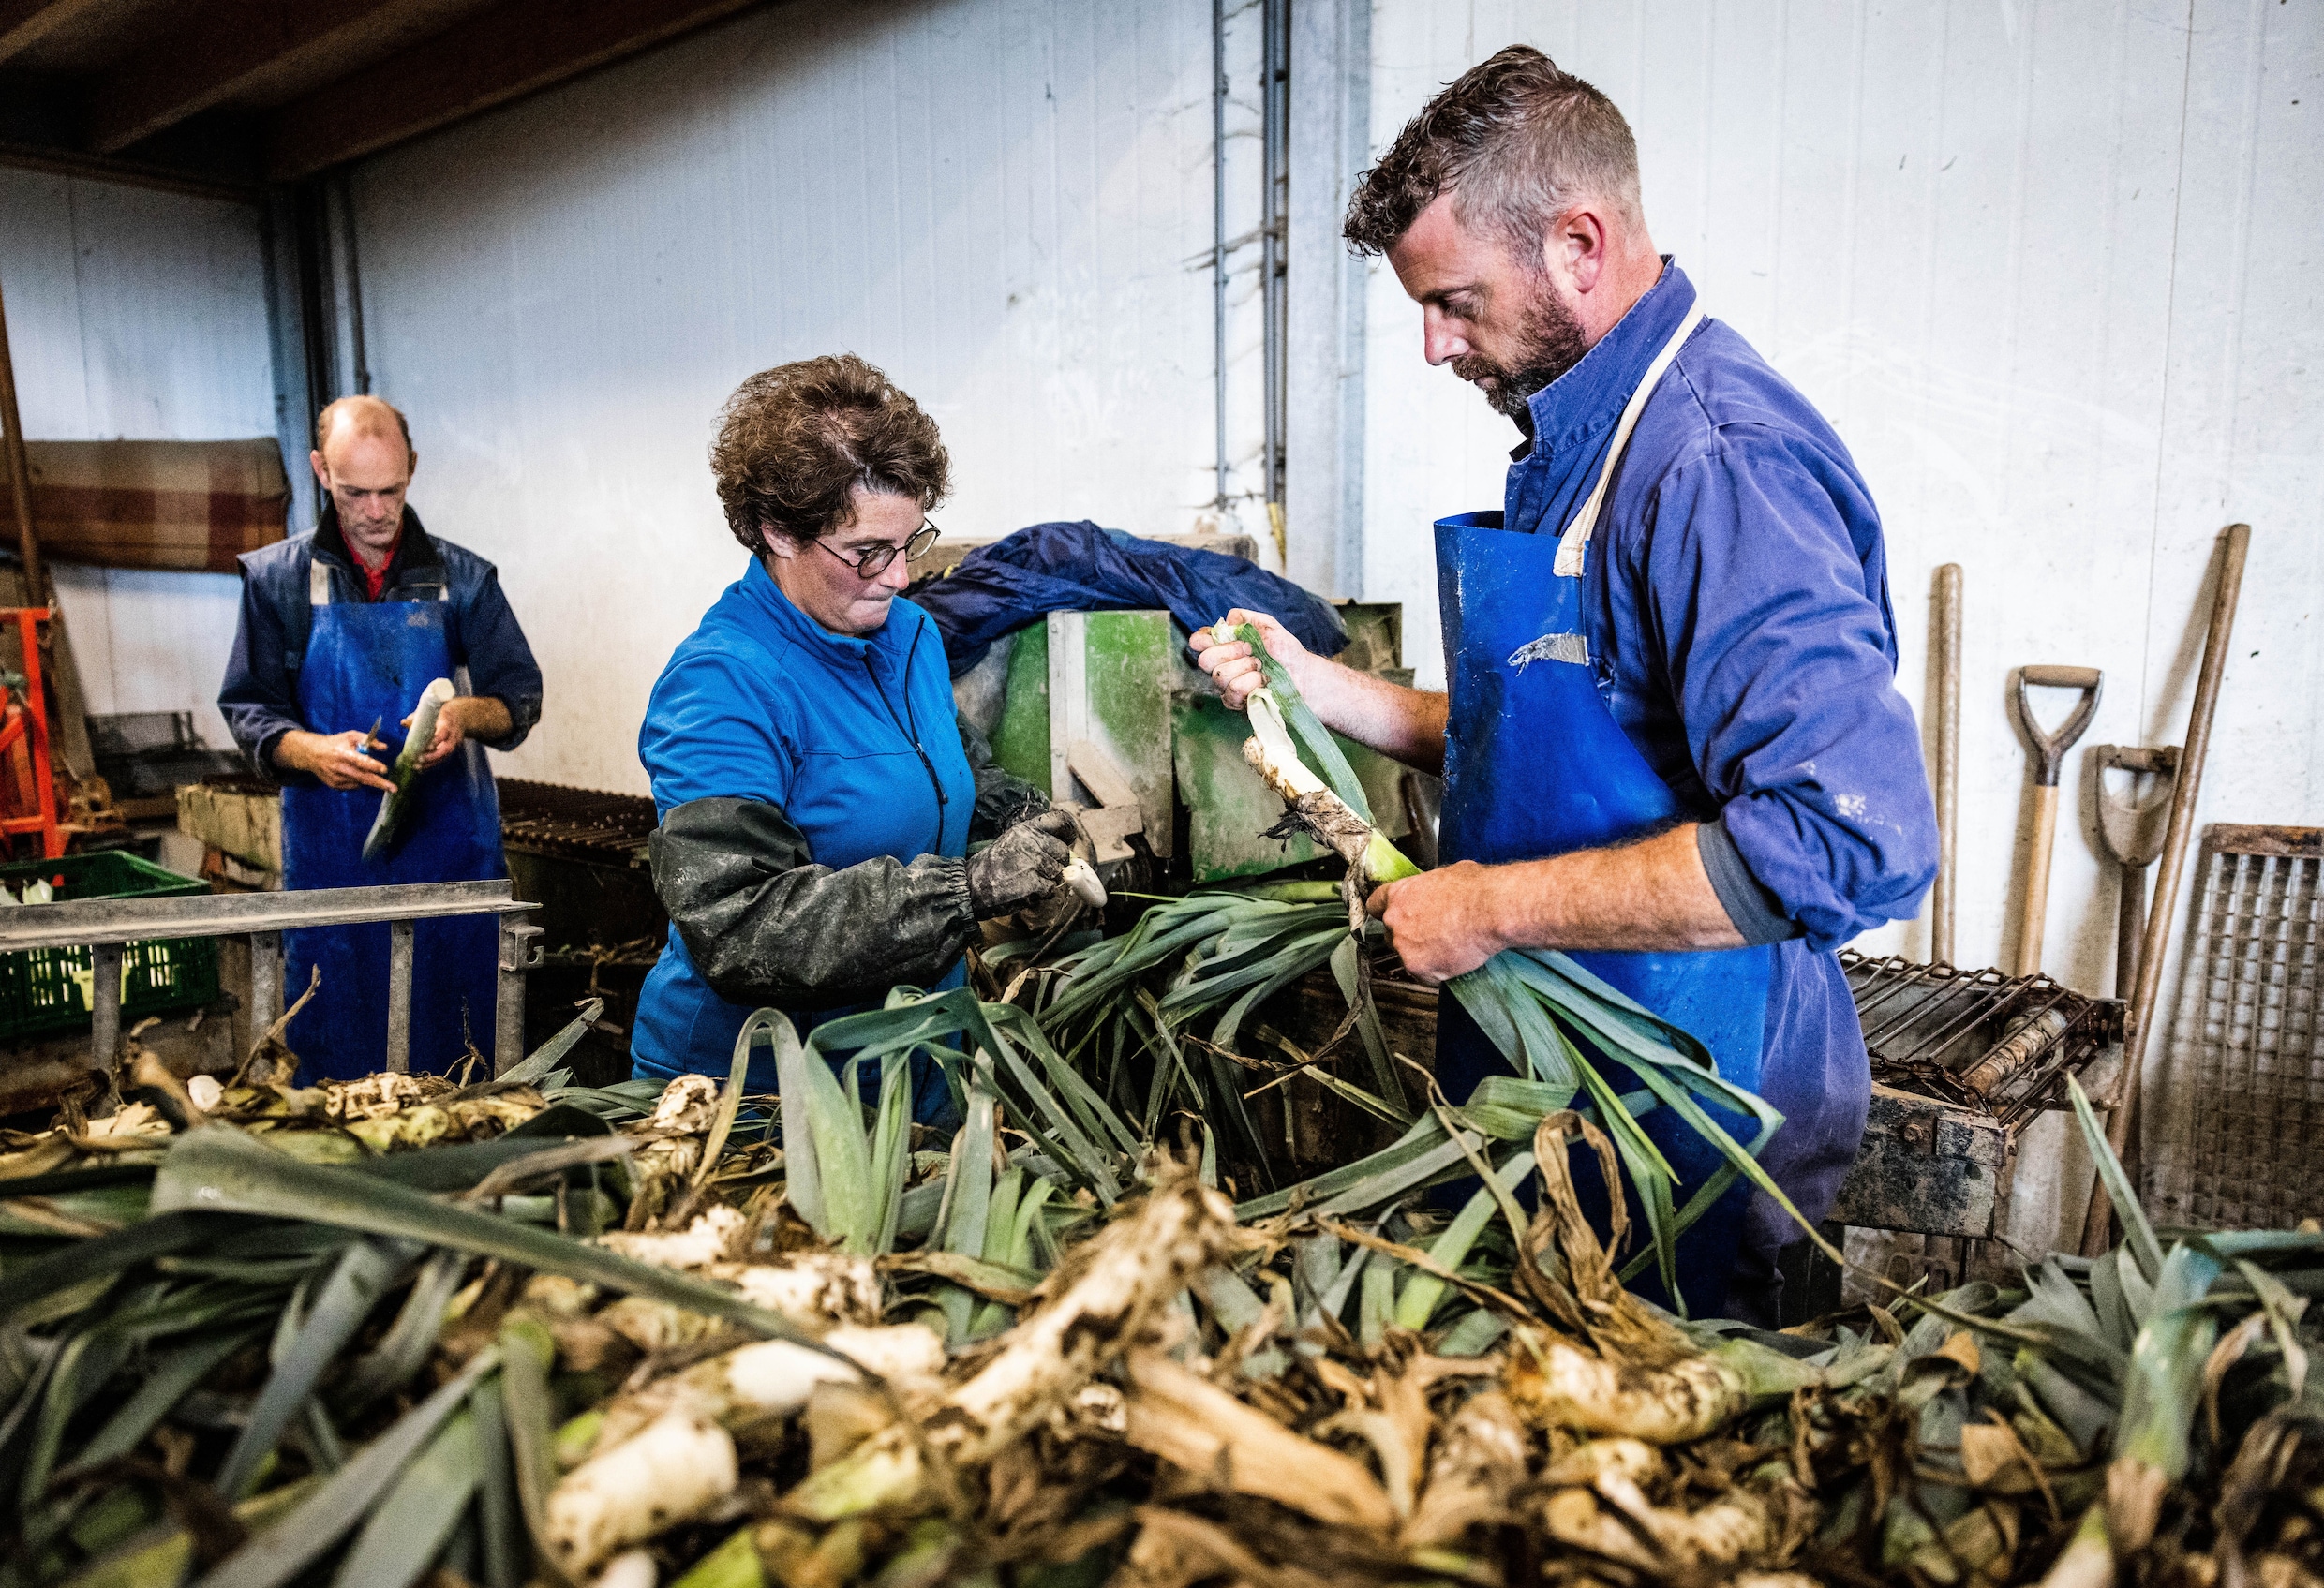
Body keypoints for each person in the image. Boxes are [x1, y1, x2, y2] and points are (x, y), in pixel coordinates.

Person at [1192, 48, 1937, 1324]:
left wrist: (1484, 907)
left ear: (1581, 246)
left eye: (1457, 301)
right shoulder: (1589, 432)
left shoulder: (1713, 463)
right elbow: (1577, 739)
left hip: (1697, 1111)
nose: (1434, 344)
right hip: (1571, 1084)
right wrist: (1324, 689)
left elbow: (1848, 844)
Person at [632, 354, 1076, 1120]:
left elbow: (949, 771)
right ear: (777, 531)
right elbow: (739, 923)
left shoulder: (907, 636)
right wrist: (965, 893)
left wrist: (1025, 817)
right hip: (763, 1099)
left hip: (913, 1063)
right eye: (868, 551)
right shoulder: (721, 684)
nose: (900, 575)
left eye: (912, 542)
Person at [221, 394, 543, 1078]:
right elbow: (250, 709)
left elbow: (518, 699)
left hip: (449, 856)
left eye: (390, 490)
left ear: (413, 469)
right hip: (334, 861)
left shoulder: (463, 579)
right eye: (354, 491)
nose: (374, 510)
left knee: (458, 1059)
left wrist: (461, 715)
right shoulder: (277, 583)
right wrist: (311, 751)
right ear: (319, 471)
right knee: (335, 1055)